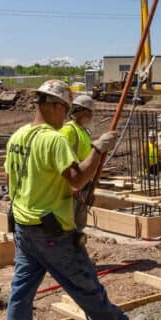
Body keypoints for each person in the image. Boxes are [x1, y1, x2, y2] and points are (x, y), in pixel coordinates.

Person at [3, 80, 146, 320]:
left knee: (21, 292)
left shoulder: (17, 136)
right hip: (50, 230)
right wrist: (96, 150)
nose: (66, 115)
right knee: (83, 283)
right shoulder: (53, 139)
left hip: (23, 226)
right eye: (65, 109)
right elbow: (76, 178)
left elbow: (21, 178)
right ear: (55, 106)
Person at [60, 94, 97, 229]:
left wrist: (89, 186)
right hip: (72, 185)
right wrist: (73, 186)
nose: (91, 116)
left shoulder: (84, 132)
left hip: (83, 184)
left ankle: (76, 247)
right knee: (68, 225)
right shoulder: (68, 130)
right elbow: (63, 160)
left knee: (79, 225)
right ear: (81, 111)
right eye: (89, 112)